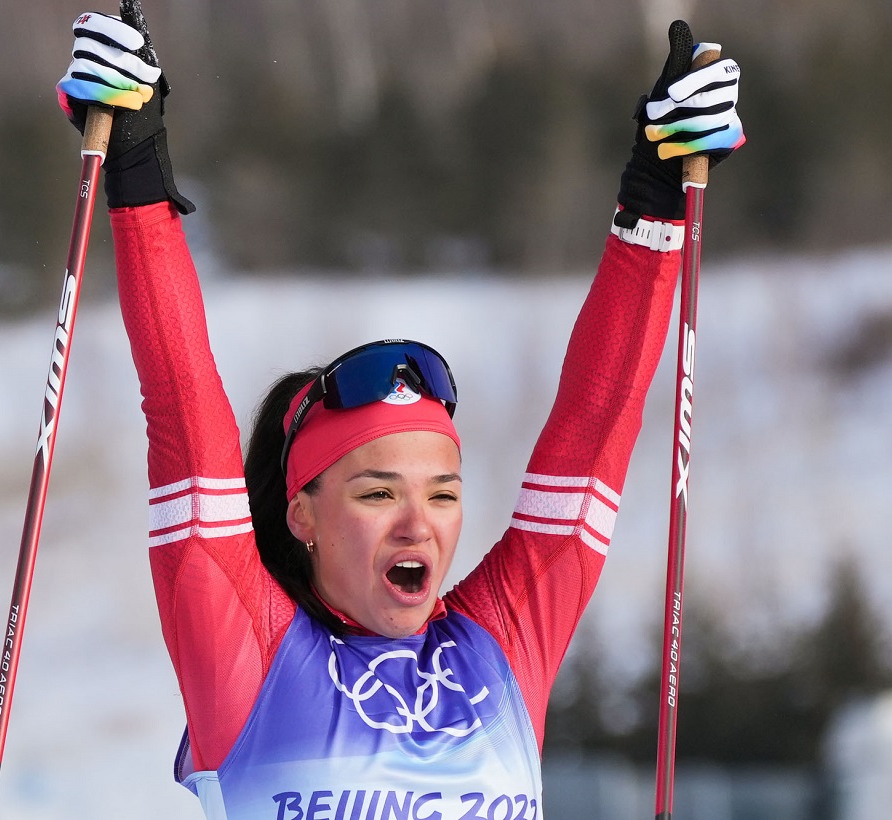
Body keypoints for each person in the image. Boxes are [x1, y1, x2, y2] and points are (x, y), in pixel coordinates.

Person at [57, 13, 744, 820]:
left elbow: (596, 429)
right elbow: (182, 402)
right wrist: (135, 163)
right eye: (379, 493)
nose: (419, 525)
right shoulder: (251, 657)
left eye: (443, 493)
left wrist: (658, 196)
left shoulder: (500, 647)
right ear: (302, 512)